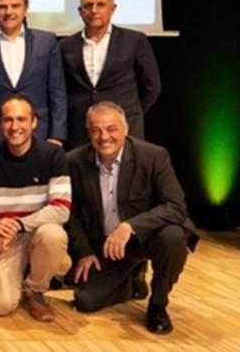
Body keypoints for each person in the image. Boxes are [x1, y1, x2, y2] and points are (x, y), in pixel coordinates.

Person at [67, 102, 197, 335]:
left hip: (146, 237)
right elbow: (72, 214)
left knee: (173, 236)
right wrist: (84, 251)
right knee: (85, 301)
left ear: (125, 129)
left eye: (111, 128)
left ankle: (158, 305)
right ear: (88, 133)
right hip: (105, 244)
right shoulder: (74, 161)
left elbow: (176, 207)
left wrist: (130, 226)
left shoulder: (153, 156)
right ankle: (132, 277)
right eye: (95, 130)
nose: (104, 136)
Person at [0, 96, 71, 322]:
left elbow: (61, 209)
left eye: (22, 119)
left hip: (36, 233)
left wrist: (19, 224)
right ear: (0, 123)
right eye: (8, 120)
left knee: (54, 235)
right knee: (1, 305)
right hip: (4, 238)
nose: (15, 127)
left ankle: (35, 290)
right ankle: (23, 274)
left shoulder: (53, 155)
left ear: (34, 122)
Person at [60, 0, 162, 147]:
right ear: (80, 11)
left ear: (113, 9)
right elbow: (62, 89)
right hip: (81, 131)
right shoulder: (65, 46)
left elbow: (151, 86)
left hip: (124, 129)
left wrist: (130, 113)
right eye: (88, 6)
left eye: (101, 4)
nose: (94, 10)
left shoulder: (134, 40)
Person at [0, 0, 67, 145]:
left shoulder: (46, 41)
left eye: (15, 6)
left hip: (40, 132)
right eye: (3, 7)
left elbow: (57, 91)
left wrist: (57, 135)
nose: (9, 12)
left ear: (26, 8)